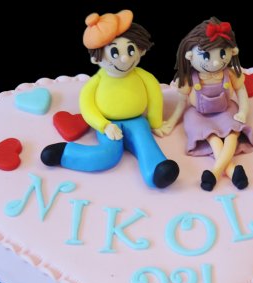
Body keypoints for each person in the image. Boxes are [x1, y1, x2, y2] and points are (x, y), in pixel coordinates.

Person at [41, 10, 179, 189]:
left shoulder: (143, 76)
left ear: (141, 50)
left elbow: (155, 96)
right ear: (95, 58)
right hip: (108, 123)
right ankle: (65, 153)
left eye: (131, 50)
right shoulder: (96, 81)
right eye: (114, 52)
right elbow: (87, 106)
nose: (125, 57)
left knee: (145, 143)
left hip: (137, 120)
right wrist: (103, 125)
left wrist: (155, 122)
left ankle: (157, 173)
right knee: (109, 153)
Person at [161, 17, 253, 191]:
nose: (216, 62)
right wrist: (172, 121)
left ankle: (214, 173)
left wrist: (243, 111)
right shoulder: (189, 79)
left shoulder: (230, 74)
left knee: (232, 135)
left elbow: (242, 93)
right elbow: (181, 103)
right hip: (198, 115)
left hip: (226, 110)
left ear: (232, 51)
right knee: (212, 137)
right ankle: (232, 171)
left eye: (222, 54)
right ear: (190, 56)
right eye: (206, 56)